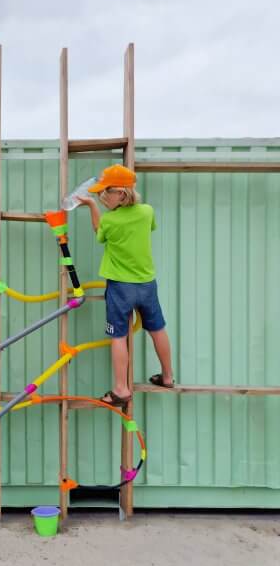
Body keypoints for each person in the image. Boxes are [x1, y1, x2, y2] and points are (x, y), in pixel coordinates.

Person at [77, 164, 174, 405]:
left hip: (121, 287)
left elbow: (99, 233)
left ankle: (121, 389)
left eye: (105, 193)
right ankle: (168, 377)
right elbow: (148, 228)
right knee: (157, 328)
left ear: (121, 193)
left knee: (118, 336)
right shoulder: (147, 211)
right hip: (147, 284)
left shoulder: (109, 220)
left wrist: (90, 206)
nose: (101, 197)